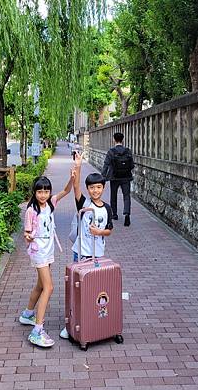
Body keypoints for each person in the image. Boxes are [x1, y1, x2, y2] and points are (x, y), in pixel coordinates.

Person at [60, 151, 114, 339]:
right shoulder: (83, 203)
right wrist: (78, 165)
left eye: (98, 187)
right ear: (88, 189)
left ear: (103, 188)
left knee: (94, 286)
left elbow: (109, 230)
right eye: (92, 188)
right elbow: (75, 186)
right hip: (81, 253)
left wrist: (99, 232)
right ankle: (72, 323)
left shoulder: (107, 208)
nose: (95, 191)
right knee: (77, 288)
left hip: (98, 255)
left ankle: (92, 317)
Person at [20, 173, 73, 348]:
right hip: (38, 251)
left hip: (48, 249)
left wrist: (73, 176)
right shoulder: (31, 210)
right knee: (49, 287)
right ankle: (37, 331)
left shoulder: (51, 203)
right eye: (40, 191)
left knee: (41, 285)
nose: (43, 195)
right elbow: (27, 233)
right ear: (34, 192)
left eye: (46, 191)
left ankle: (27, 314)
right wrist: (28, 237)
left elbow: (66, 190)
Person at [101, 132, 134, 226]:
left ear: (114, 139)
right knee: (126, 196)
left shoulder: (111, 151)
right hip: (126, 177)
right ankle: (127, 214)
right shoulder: (128, 151)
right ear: (122, 140)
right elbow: (132, 165)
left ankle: (114, 214)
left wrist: (102, 176)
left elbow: (106, 165)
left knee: (113, 196)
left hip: (114, 177)